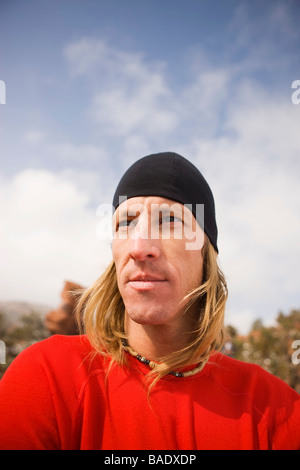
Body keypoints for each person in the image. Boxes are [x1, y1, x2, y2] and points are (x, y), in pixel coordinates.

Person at [0, 151, 299, 450]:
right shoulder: (46, 376)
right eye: (126, 223)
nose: (139, 246)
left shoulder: (276, 410)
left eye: (170, 220)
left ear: (205, 251)